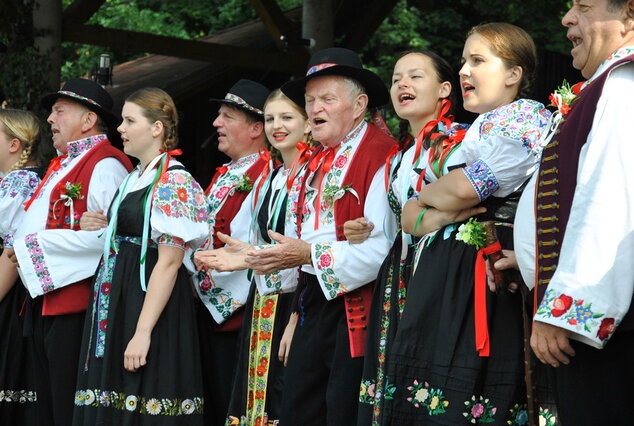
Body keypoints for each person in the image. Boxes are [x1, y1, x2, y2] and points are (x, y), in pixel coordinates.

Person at [381, 23, 551, 425]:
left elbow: (460, 190)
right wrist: (439, 202)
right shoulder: (478, 129)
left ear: (514, 74)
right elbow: (409, 219)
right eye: (462, 61)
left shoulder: (525, 118)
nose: (463, 71)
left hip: (488, 277)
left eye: (477, 60)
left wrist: (435, 199)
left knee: (474, 394)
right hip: (446, 272)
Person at [238, 47, 396, 425]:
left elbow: (382, 251)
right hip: (313, 302)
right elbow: (299, 243)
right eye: (310, 100)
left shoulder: (382, 153)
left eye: (327, 98)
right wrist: (249, 257)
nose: (314, 108)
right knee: (298, 406)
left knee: (340, 408)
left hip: (356, 306)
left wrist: (309, 255)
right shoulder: (315, 160)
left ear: (359, 105)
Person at [510, 1, 634, 423]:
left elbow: (609, 202)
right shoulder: (607, 86)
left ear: (629, 16)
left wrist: (564, 310)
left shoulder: (622, 83)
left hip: (605, 324)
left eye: (583, 6)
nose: (566, 19)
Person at [347, 50, 479, 425]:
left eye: (415, 77)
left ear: (445, 89)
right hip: (400, 280)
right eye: (396, 78)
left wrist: (422, 218)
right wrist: (358, 229)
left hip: (444, 276)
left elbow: (470, 205)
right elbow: (389, 225)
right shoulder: (397, 158)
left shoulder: (460, 143)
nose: (402, 84)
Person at [72, 87, 208, 425]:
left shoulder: (174, 182)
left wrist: (143, 330)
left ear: (157, 128)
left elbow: (169, 261)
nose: (120, 128)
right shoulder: (135, 177)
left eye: (130, 120)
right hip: (118, 298)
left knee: (143, 396)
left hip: (146, 302)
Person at [9, 78, 132, 426]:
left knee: (65, 401)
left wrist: (34, 249)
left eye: (60, 111)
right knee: (45, 401)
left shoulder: (105, 163)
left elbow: (111, 239)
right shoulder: (63, 162)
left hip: (75, 303)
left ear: (88, 120)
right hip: (44, 298)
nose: (50, 119)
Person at [196, 89, 311, 425]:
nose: (276, 125)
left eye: (286, 118)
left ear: (307, 126)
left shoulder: (307, 176)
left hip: (292, 303)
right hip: (263, 302)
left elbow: (306, 248)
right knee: (252, 399)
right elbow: (258, 242)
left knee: (282, 394)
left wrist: (246, 260)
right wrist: (245, 255)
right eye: (271, 118)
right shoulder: (277, 177)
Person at [190, 79, 270, 425]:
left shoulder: (266, 172)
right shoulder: (228, 172)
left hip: (235, 313)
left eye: (226, 116)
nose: (215, 123)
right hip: (209, 308)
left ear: (256, 128)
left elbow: (254, 242)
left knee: (229, 403)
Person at [0, 108, 45, 424]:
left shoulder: (22, 184)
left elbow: (10, 256)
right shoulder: (10, 182)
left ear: (14, 144)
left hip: (8, 296)